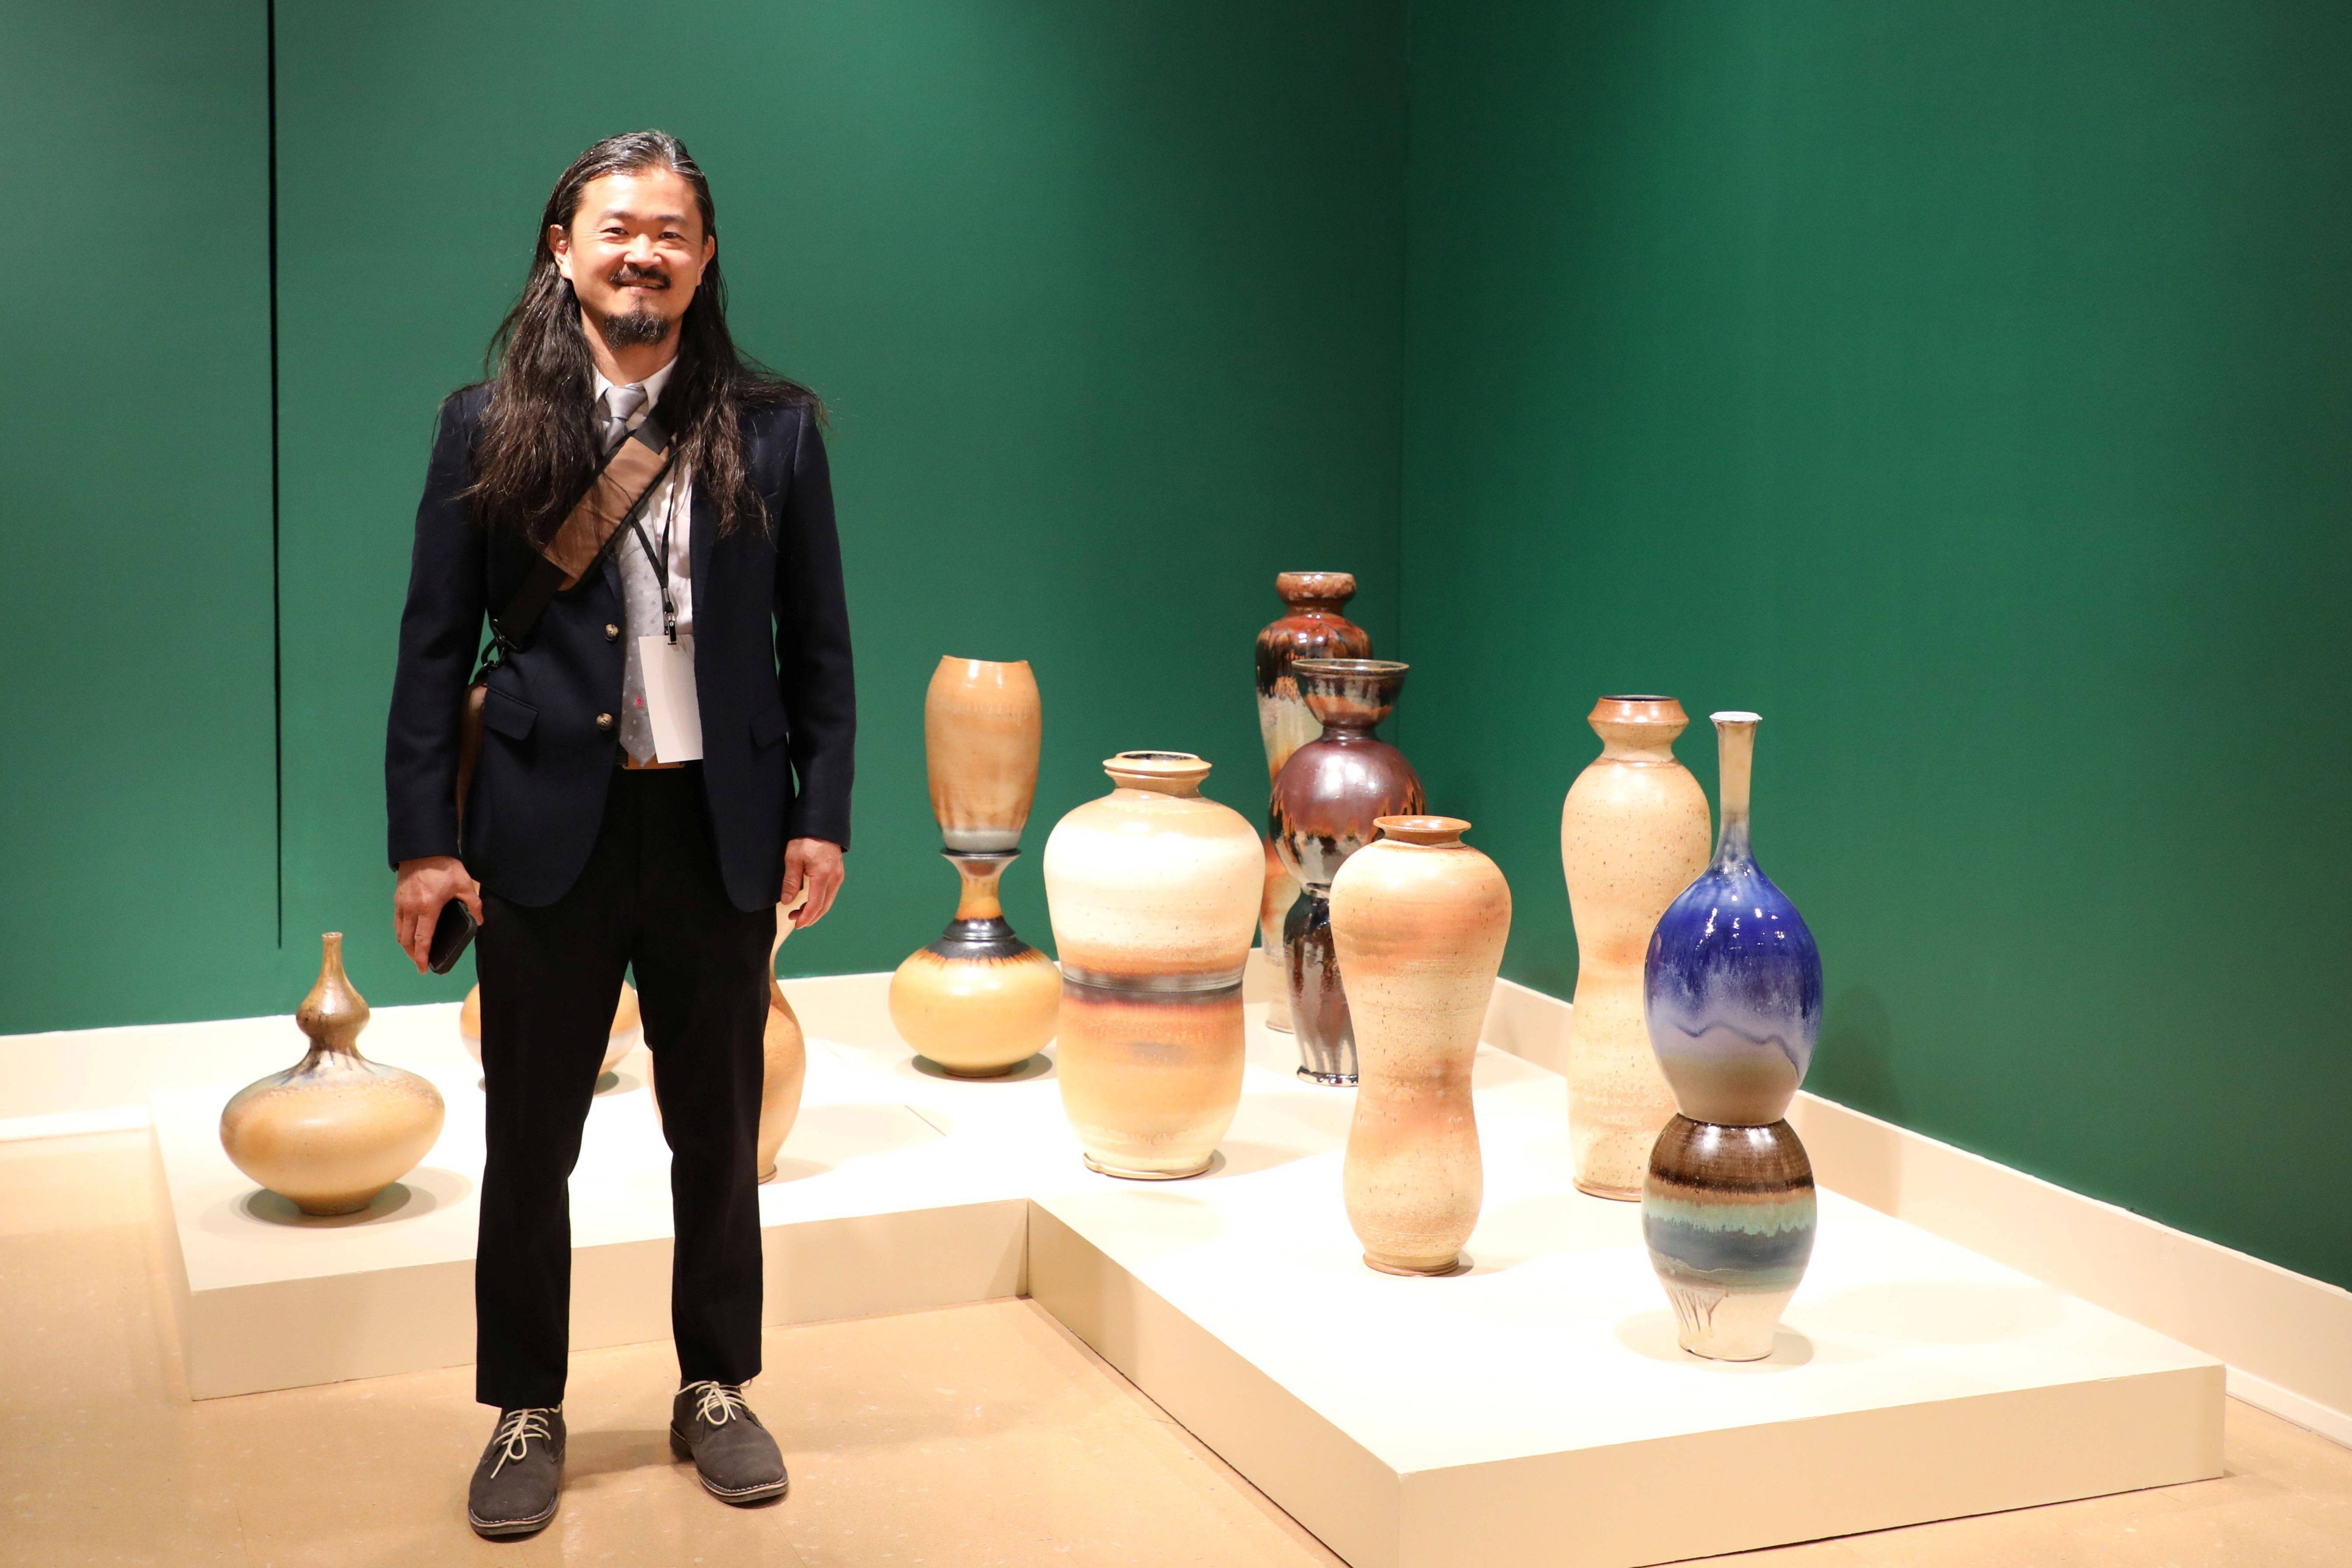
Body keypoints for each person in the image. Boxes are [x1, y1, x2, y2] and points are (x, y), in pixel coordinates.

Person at [384, 130, 854, 1539]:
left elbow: (817, 646)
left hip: (717, 822)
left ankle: (714, 1384)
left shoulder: (774, 427)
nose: (643, 250)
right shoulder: (487, 423)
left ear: (706, 260)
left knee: (717, 1136)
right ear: (564, 248)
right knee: (531, 1140)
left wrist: (819, 814)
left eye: (671, 230)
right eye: (616, 227)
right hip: (542, 829)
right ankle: (526, 1404)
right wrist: (423, 839)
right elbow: (428, 651)